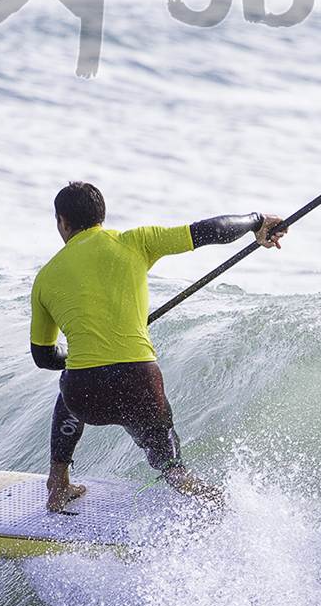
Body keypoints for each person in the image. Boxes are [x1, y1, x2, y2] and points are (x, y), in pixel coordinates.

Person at [30, 181, 286, 511]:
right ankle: (201, 493)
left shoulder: (46, 277)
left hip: (86, 396)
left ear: (62, 222)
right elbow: (208, 231)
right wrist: (256, 220)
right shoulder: (135, 241)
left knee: (68, 381)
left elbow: (44, 357)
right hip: (140, 386)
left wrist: (80, 353)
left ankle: (58, 482)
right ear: (101, 216)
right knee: (169, 463)